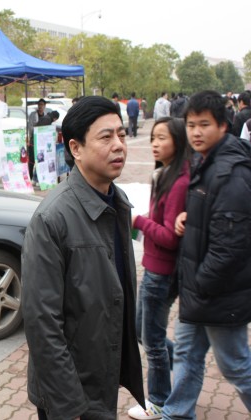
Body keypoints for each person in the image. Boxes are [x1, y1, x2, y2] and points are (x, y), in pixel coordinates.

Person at [22, 96, 145, 419]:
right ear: (76, 148)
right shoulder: (52, 218)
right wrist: (69, 406)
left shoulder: (118, 202)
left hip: (102, 375)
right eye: (106, 137)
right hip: (69, 392)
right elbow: (42, 323)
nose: (118, 145)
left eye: (121, 135)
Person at [162, 90, 251, 419]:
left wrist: (200, 284)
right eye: (190, 125)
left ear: (223, 126)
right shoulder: (205, 160)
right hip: (200, 290)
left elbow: (231, 247)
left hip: (219, 293)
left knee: (236, 366)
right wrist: (189, 216)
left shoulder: (231, 172)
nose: (196, 132)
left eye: (204, 125)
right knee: (186, 353)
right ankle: (177, 414)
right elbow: (214, 216)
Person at [127, 117, 191, 420]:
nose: (155, 143)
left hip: (162, 273)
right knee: (142, 331)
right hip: (154, 268)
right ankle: (184, 364)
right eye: (153, 137)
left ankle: (158, 401)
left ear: (177, 141)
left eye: (162, 138)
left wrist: (138, 221)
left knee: (151, 341)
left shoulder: (179, 182)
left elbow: (170, 237)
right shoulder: (165, 174)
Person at [28, 98, 48, 179]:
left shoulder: (46, 115)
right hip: (34, 139)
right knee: (32, 160)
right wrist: (36, 131)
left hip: (42, 141)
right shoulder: (33, 114)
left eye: (42, 105)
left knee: (41, 159)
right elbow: (30, 127)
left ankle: (39, 177)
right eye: (39, 105)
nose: (40, 106)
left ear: (44, 106)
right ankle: (30, 176)